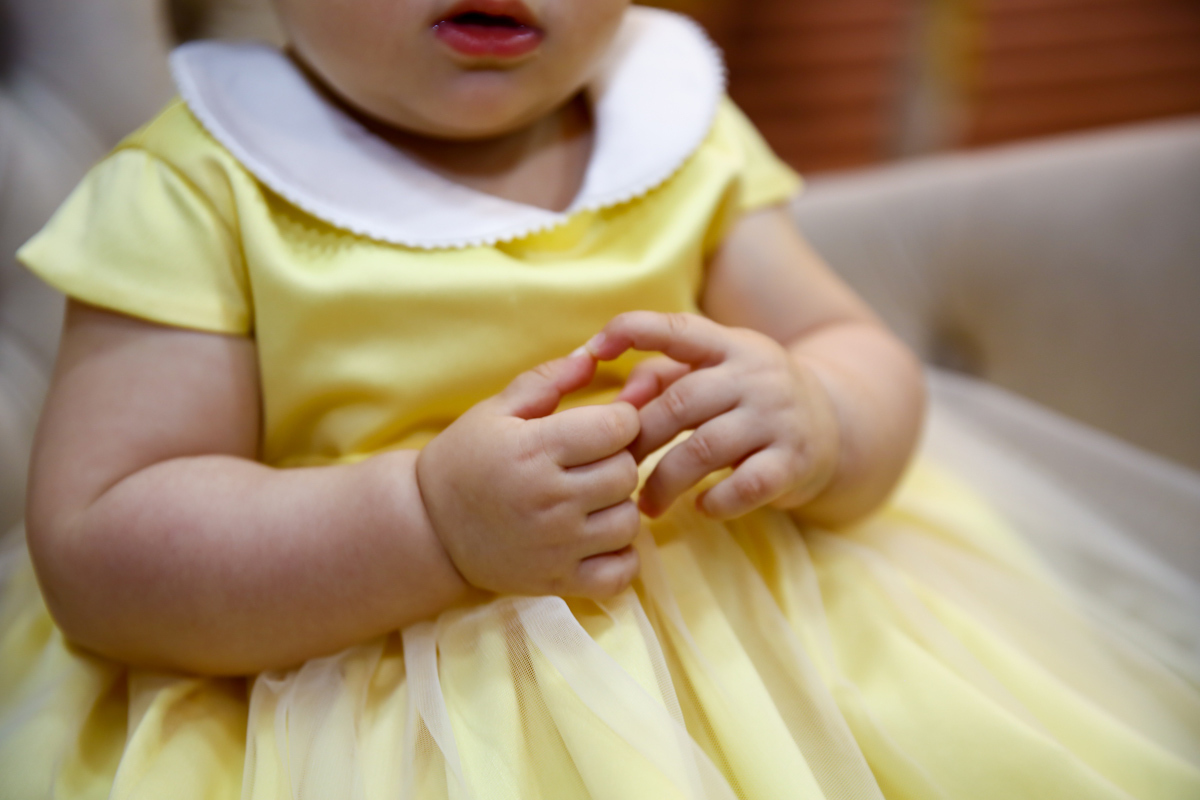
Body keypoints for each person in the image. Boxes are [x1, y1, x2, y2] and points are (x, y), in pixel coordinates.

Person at [1, 1, 1197, 797]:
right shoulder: (203, 187)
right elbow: (102, 544)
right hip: (350, 685)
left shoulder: (671, 132)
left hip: (761, 632)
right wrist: (427, 521)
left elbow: (854, 347)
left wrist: (821, 412)